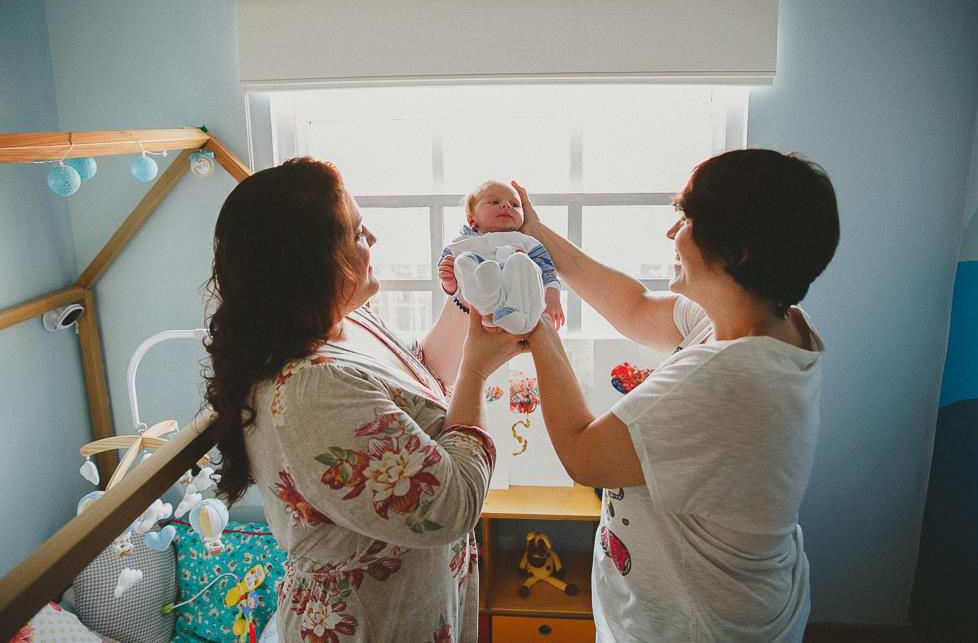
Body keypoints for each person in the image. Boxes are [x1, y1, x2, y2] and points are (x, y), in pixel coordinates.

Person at [518, 149, 840, 642]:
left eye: (687, 217)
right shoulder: (775, 325)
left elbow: (584, 455)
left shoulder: (727, 379)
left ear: (736, 251)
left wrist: (535, 324)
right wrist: (537, 235)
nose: (673, 233)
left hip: (695, 625)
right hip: (736, 600)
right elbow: (633, 306)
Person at [203, 158, 524, 643]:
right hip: (370, 621)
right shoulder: (313, 388)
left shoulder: (348, 320)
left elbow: (420, 376)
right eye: (356, 232)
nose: (372, 239)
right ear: (310, 262)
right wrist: (476, 370)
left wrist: (464, 306)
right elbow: (449, 505)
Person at [438, 180, 565, 334]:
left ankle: (514, 310)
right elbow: (455, 284)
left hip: (523, 306)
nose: (506, 205)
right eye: (494, 202)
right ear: (472, 220)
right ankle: (488, 305)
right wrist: (449, 283)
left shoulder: (526, 241)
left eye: (515, 204)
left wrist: (552, 296)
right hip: (480, 306)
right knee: (462, 260)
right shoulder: (462, 245)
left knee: (521, 260)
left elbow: (547, 269)